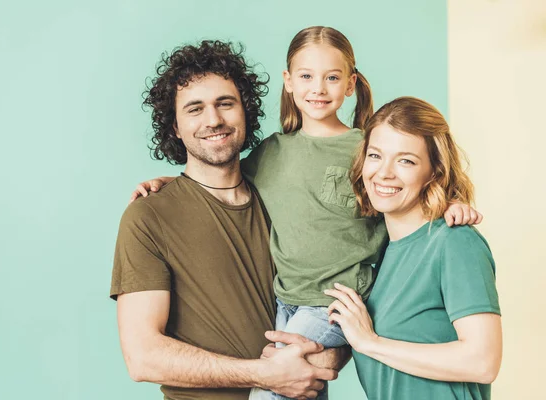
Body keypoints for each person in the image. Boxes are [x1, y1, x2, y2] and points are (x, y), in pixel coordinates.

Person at [130, 27, 482, 400]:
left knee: (271, 390)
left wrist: (451, 204)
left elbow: (405, 189)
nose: (318, 88)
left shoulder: (366, 149)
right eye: (306, 77)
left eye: (332, 77)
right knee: (300, 390)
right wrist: (172, 181)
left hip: (332, 302)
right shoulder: (271, 153)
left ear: (350, 84)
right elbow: (219, 174)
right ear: (289, 82)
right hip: (286, 300)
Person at [110, 40, 343, 400]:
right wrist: (266, 375)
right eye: (194, 109)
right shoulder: (149, 215)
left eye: (225, 103)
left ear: (245, 111)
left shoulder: (281, 197)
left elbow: (337, 288)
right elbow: (142, 357)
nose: (214, 119)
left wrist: (333, 352)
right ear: (174, 126)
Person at [325, 96, 502, 400]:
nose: (384, 173)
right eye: (375, 155)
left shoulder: (454, 242)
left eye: (405, 160)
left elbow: (483, 361)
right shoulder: (380, 251)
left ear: (434, 171)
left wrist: (371, 343)